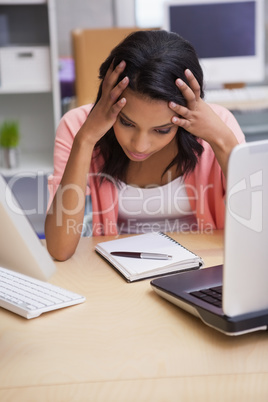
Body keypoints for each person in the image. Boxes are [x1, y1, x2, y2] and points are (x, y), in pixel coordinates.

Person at [45, 30, 245, 261]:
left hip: (205, 265)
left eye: (161, 130)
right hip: (121, 271)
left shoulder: (217, 126)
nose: (139, 146)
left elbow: (258, 231)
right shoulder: (79, 126)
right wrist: (85, 140)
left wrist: (222, 140)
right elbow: (59, 249)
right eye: (127, 122)